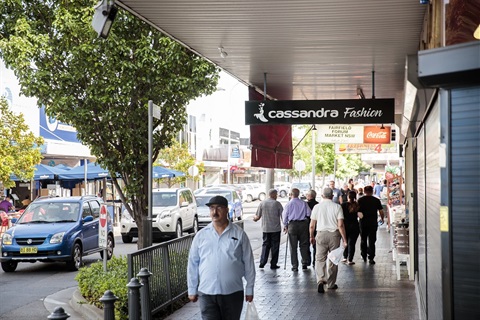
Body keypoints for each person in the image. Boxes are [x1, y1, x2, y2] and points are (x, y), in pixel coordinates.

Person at [187, 195, 255, 320]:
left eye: (219, 208)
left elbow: (248, 263)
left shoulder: (239, 234)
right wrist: (192, 288)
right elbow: (193, 263)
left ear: (226, 210)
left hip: (233, 292)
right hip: (207, 292)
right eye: (212, 208)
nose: (215, 212)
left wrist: (249, 288)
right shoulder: (201, 236)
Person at [309, 187, 347, 293]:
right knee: (333, 259)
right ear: (332, 196)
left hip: (320, 234)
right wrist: (344, 239)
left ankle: (321, 280)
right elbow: (340, 225)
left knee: (320, 259)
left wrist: (311, 236)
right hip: (334, 235)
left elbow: (312, 225)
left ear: (322, 196)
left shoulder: (317, 207)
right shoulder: (337, 207)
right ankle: (331, 284)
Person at [253, 188, 284, 269]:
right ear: (273, 195)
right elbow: (283, 216)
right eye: (276, 194)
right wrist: (286, 225)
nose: (277, 196)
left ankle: (262, 262)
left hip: (266, 228)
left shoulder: (262, 203)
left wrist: (254, 219)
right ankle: (273, 264)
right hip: (275, 229)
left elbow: (258, 216)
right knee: (275, 246)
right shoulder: (277, 204)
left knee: (265, 245)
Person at [283, 188, 311, 271]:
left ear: (291, 194)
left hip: (292, 225)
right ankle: (304, 263)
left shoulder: (288, 204)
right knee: (304, 245)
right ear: (298, 194)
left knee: (293, 246)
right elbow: (309, 213)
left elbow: (285, 217)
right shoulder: (304, 203)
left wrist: (285, 225)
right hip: (303, 224)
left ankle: (295, 266)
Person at [357, 185, 385, 264]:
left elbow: (357, 211)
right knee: (372, 240)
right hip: (373, 223)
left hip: (363, 223)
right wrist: (382, 219)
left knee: (363, 239)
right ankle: (371, 257)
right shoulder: (376, 200)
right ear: (372, 191)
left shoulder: (360, 200)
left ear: (364, 191)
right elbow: (381, 211)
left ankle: (364, 255)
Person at [341, 191, 361, 265]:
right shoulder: (357, 205)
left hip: (345, 226)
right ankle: (350, 259)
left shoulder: (343, 205)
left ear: (348, 196)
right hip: (355, 226)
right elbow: (360, 215)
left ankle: (345, 257)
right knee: (352, 243)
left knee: (345, 241)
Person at [305, 189, 319, 266]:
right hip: (317, 226)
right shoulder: (318, 205)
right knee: (316, 246)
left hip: (307, 226)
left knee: (306, 244)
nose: (306, 196)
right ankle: (315, 261)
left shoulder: (306, 204)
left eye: (307, 195)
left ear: (310, 196)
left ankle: (307, 261)